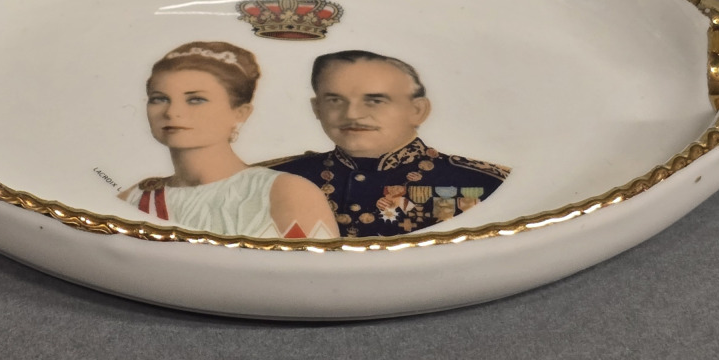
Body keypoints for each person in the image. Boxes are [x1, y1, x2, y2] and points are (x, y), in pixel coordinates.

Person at [269, 50, 510, 237]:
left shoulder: (482, 181)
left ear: (417, 110)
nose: (352, 114)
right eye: (335, 100)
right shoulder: (272, 179)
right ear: (316, 108)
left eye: (375, 101)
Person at [119, 41, 338, 239]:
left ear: (240, 113)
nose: (172, 112)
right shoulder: (135, 197)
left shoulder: (285, 193)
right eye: (159, 99)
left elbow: (312, 270)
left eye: (196, 100)